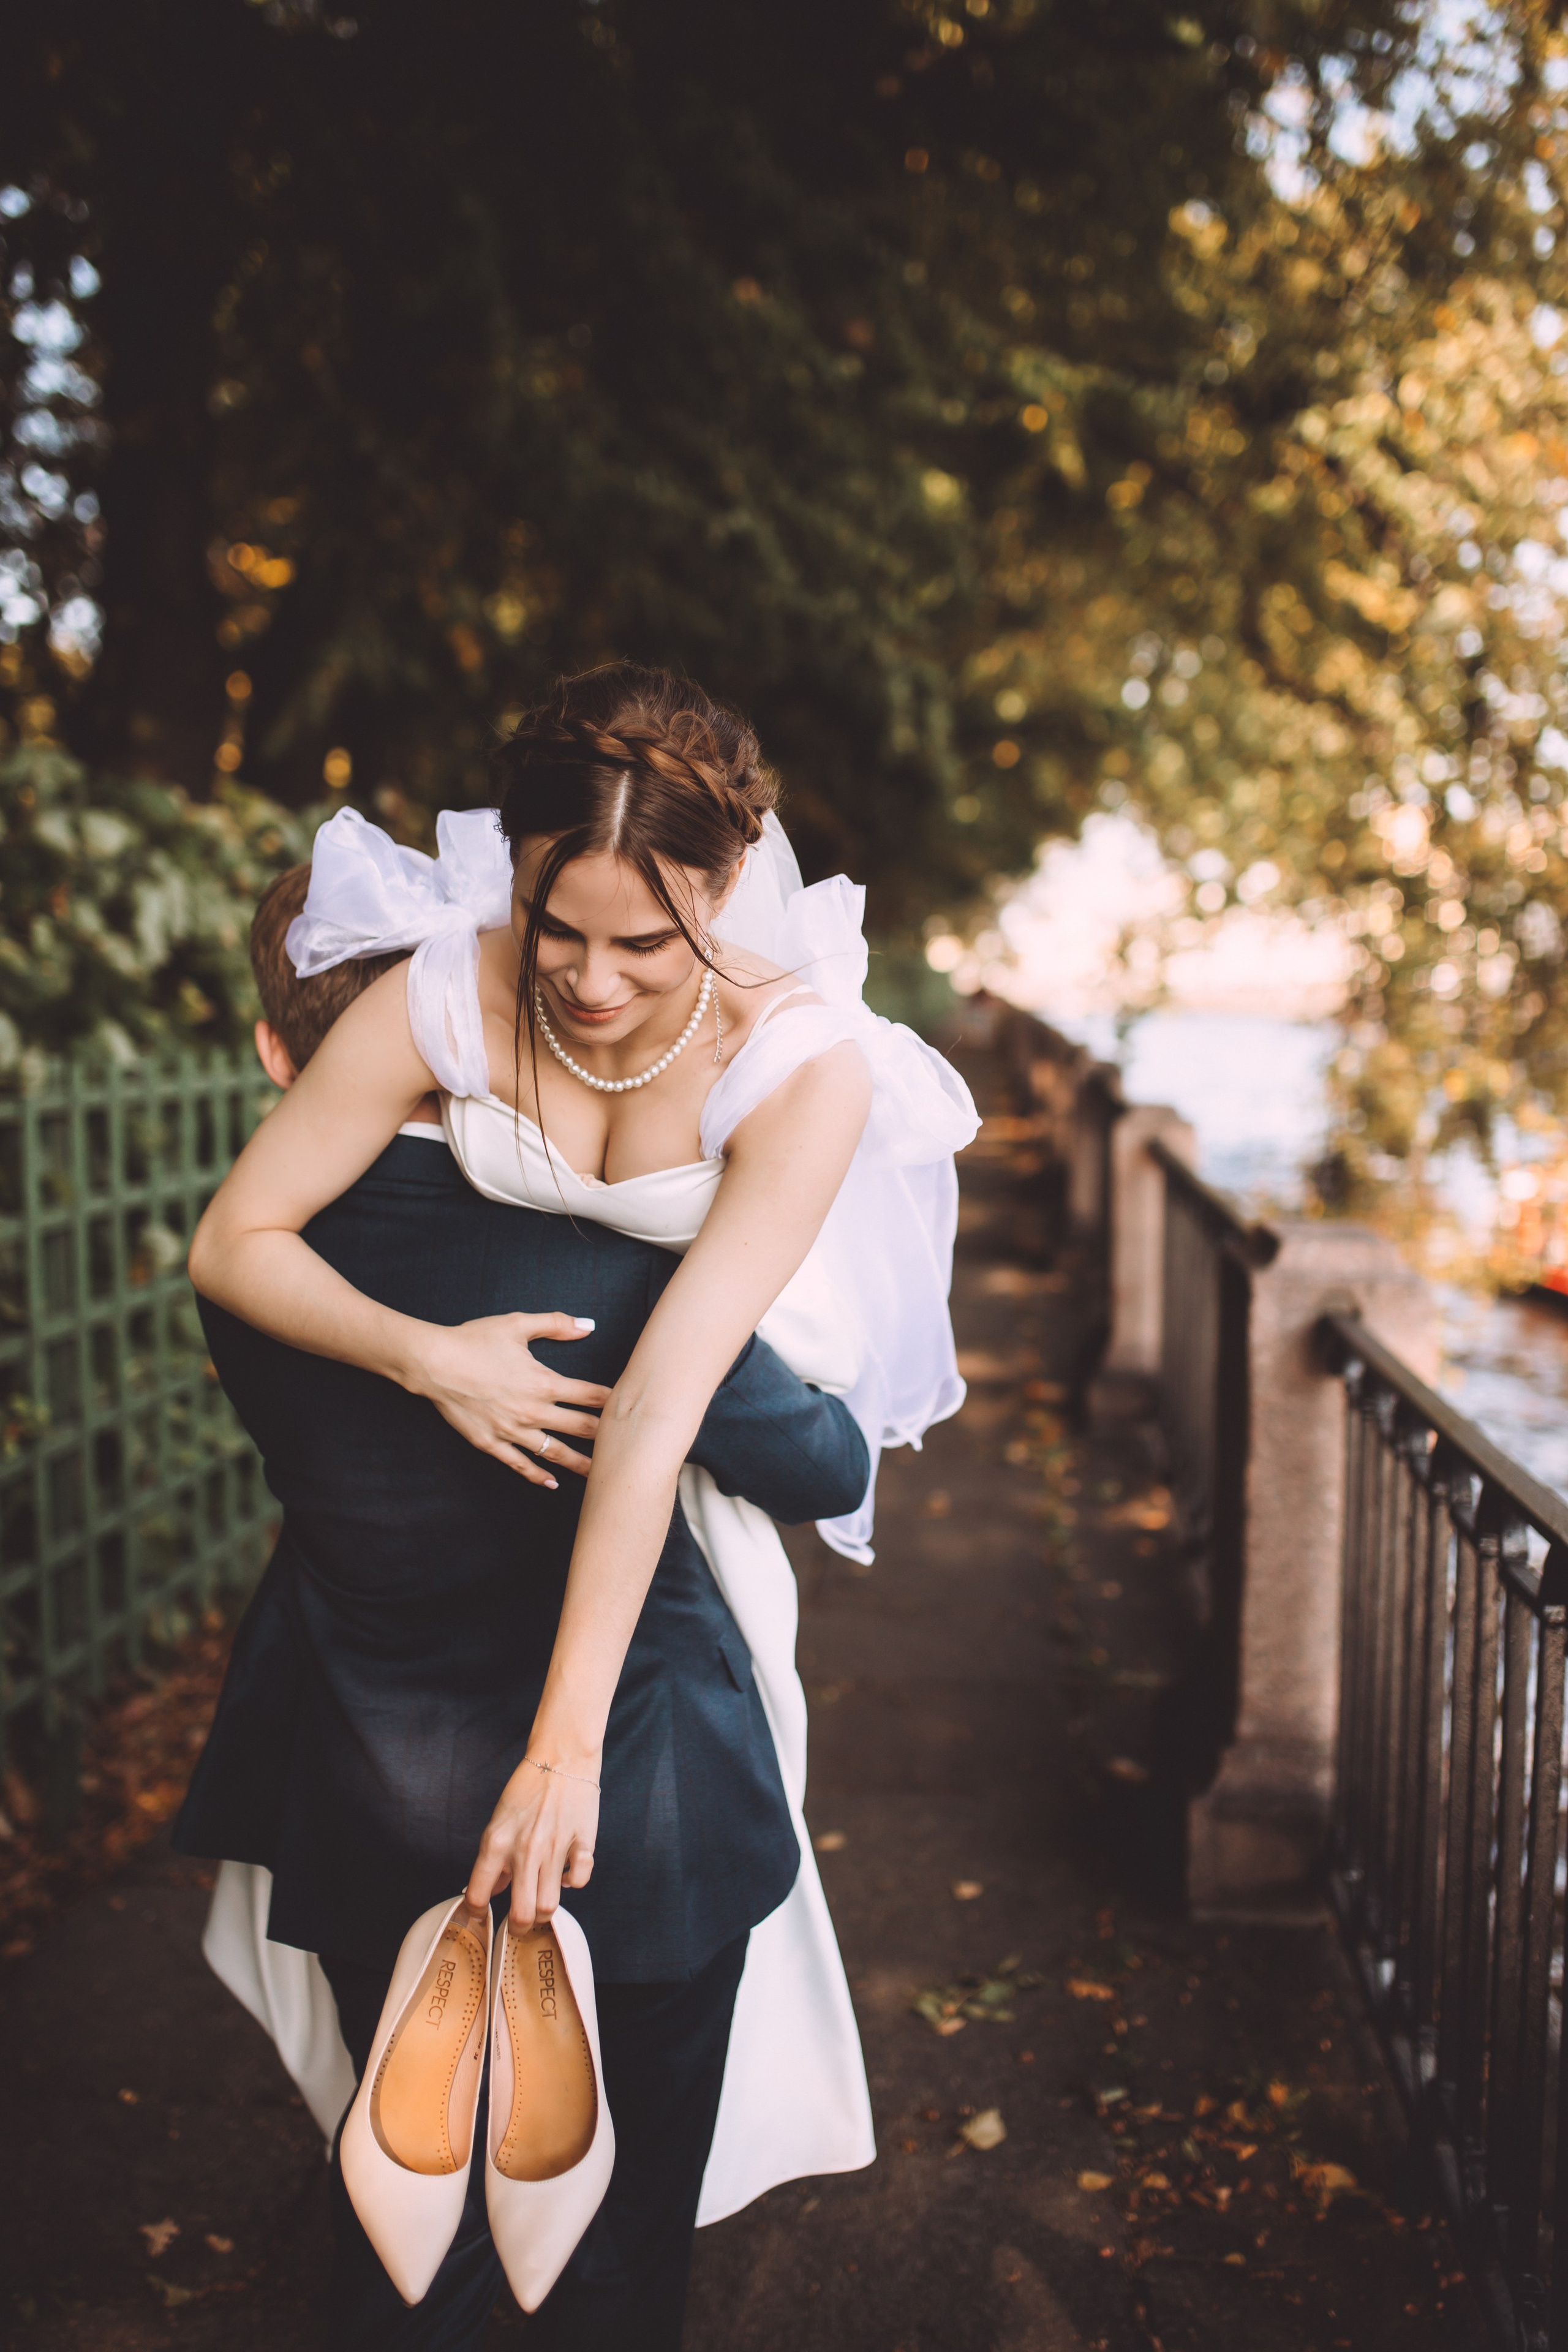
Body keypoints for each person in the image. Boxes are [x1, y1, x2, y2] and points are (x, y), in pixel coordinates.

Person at [188, 661, 978, 2333]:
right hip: (452, 1575)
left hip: (656, 1527)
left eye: (649, 944)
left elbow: (665, 1405)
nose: (596, 983)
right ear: (518, 870)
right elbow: (236, 1241)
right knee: (422, 2176)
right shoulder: (443, 990)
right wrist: (430, 1358)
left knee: (612, 2216)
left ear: (727, 883)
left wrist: (561, 1750)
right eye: (561, 929)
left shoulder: (803, 1068)